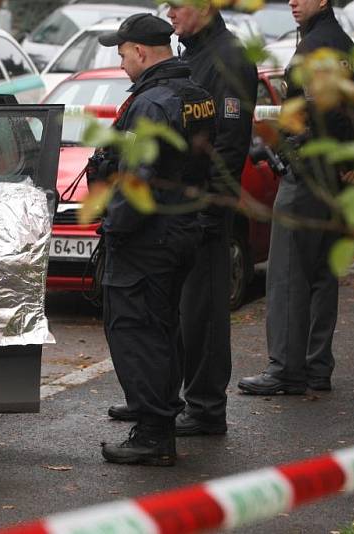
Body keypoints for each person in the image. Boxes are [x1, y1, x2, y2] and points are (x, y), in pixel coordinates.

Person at [106, 0, 257, 437]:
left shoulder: (228, 58)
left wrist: (205, 206)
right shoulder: (193, 57)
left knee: (203, 313)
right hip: (182, 213)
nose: (171, 13)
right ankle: (162, 401)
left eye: (180, 5)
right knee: (173, 313)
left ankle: (206, 407)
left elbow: (227, 143)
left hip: (203, 209)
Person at [91, 13, 216, 466]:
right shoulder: (196, 94)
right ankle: (157, 421)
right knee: (162, 330)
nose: (122, 63)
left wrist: (112, 228)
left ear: (140, 52)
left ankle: (152, 433)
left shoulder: (151, 103)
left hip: (147, 239)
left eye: (122, 53)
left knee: (135, 333)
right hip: (181, 230)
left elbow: (136, 183)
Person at [238, 0, 354, 394]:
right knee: (320, 275)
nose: (293, 2)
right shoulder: (344, 45)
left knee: (286, 276)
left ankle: (285, 369)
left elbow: (315, 116)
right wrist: (351, 161)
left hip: (307, 178)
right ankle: (317, 366)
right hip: (335, 179)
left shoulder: (316, 47)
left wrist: (293, 152)